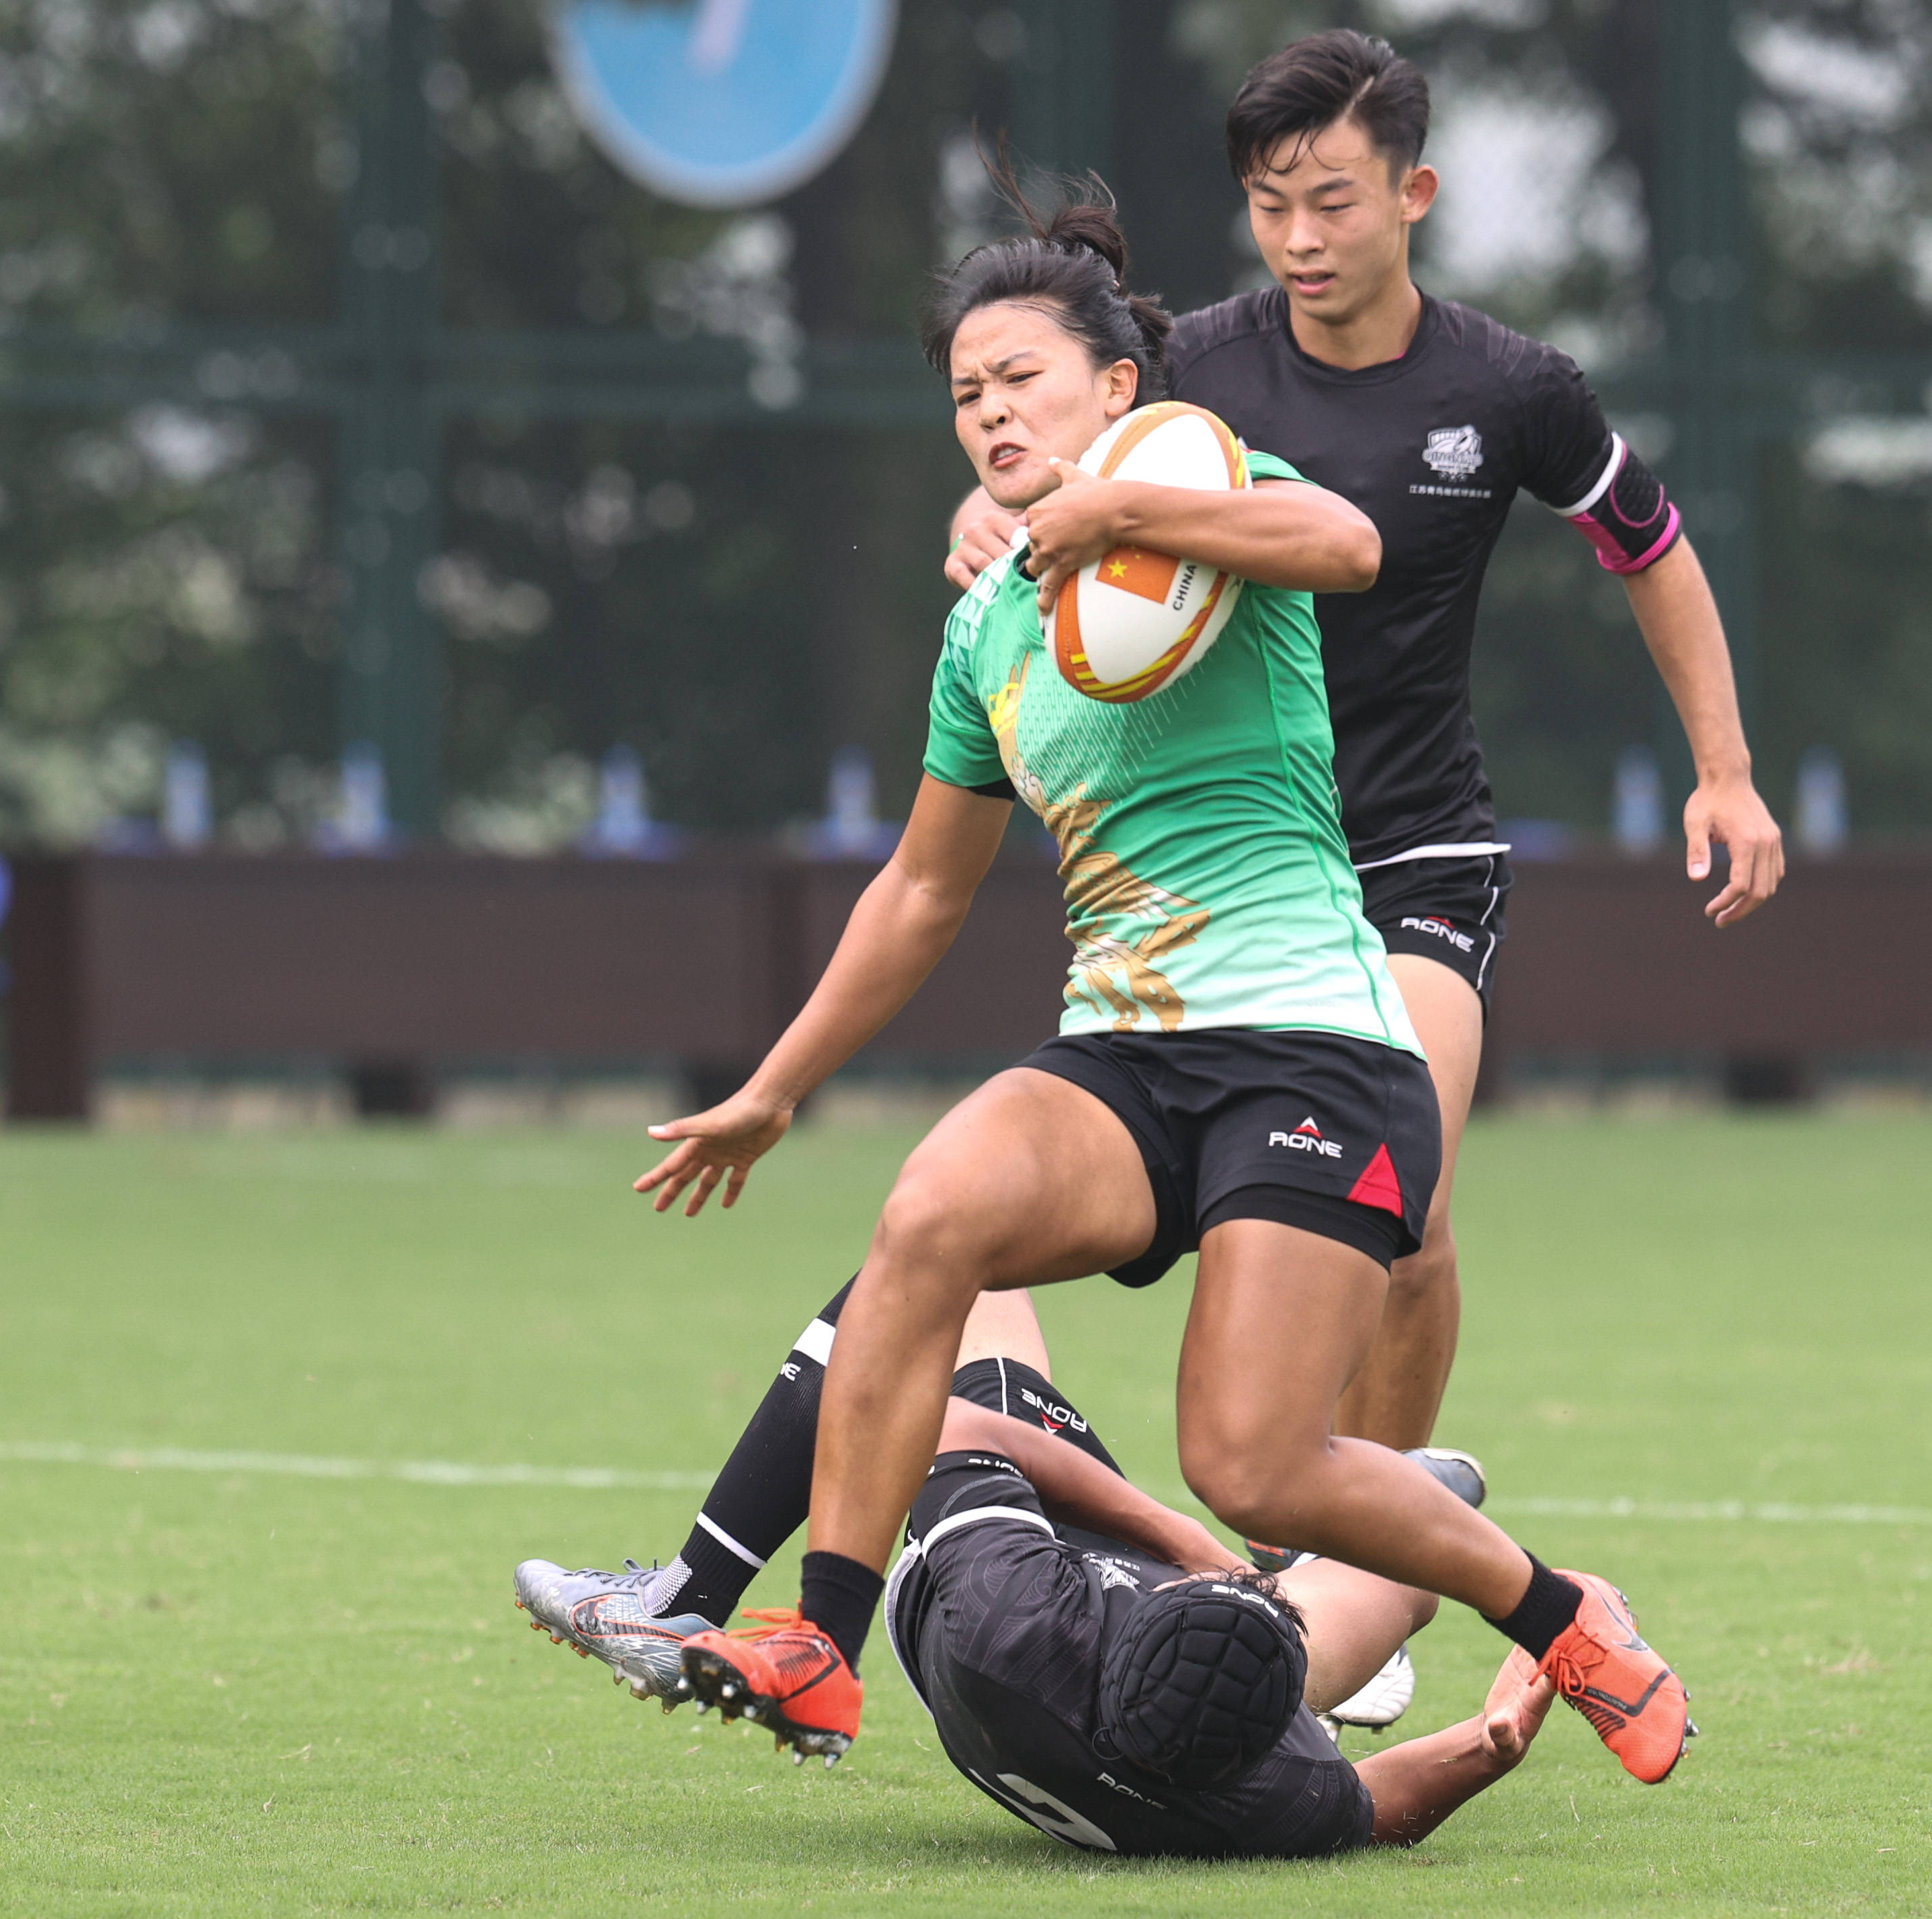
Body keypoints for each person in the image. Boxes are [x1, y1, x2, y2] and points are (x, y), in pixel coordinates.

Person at [620, 173, 1693, 1785]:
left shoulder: (1205, 484)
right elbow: (920, 890)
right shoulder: (986, 628)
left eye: (1020, 379)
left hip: (1316, 1049)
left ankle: (1560, 1610)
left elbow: (1343, 541)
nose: (988, 413)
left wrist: (1117, 508)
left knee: (1251, 1465)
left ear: (1116, 387)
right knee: (927, 1216)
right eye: (965, 394)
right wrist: (776, 1085)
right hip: (1125, 1059)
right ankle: (815, 1639)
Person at [945, 31, 1785, 1461]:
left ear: (1414, 193)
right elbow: (1048, 451)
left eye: (1331, 199)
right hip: (1236, 867)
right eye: (1269, 204)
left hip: (1415, 855)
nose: (1297, 237)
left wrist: (1724, 769)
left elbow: (1648, 549)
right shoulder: (1188, 362)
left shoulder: (1510, 389)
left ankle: (1364, 1573)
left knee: (1411, 1210)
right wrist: (979, 518)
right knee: (1216, 1216)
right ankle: (1291, 1525)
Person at [521, 1293, 1560, 1857]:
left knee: (940, 1272)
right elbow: (1383, 1806)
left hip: (986, 1629)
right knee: (1434, 1514)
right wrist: (1494, 1737)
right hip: (1162, 1690)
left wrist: (1174, 1533)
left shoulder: (1015, 1606)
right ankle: (1320, 1585)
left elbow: (922, 1419)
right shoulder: (1273, 1790)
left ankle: (686, 1598)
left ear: (1142, 1603)